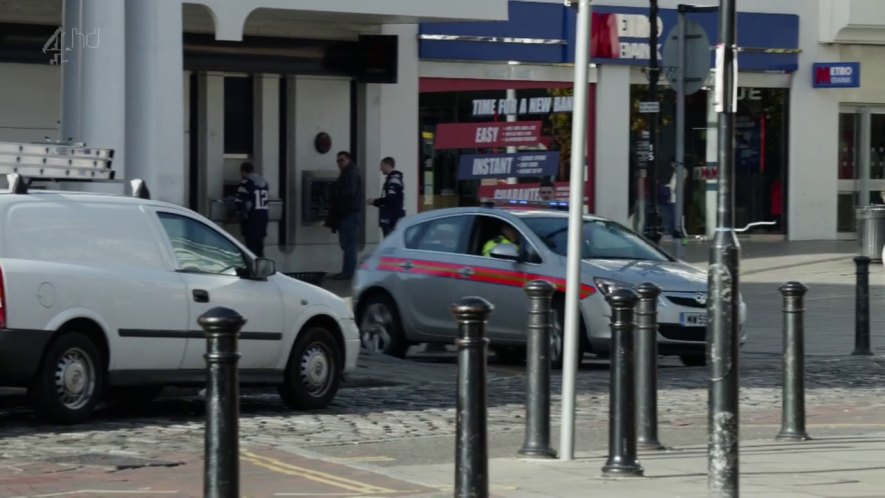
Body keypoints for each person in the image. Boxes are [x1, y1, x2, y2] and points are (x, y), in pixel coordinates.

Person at [325, 151, 363, 280]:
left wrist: (337, 196)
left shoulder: (351, 173)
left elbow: (348, 192)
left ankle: (348, 272)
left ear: (348, 160)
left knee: (349, 244)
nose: (339, 163)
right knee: (347, 244)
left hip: (349, 213)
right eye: (338, 161)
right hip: (347, 213)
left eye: (341, 160)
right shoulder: (348, 172)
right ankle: (347, 271)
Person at [234, 162, 269, 257]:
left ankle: (254, 270)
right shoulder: (264, 183)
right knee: (259, 249)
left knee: (250, 251)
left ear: (243, 172)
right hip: (263, 220)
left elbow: (239, 202)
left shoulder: (246, 184)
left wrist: (240, 217)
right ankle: (262, 269)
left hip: (251, 221)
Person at [367, 156, 405, 237]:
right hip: (390, 219)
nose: (380, 169)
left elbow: (390, 200)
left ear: (387, 165)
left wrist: (374, 201)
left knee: (390, 243)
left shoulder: (393, 180)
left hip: (391, 219)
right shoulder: (391, 179)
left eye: (382, 165)